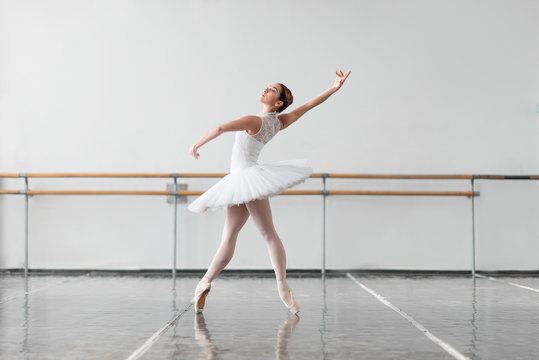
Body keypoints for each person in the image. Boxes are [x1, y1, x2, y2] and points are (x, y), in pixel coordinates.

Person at [188, 70, 351, 314]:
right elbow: (308, 105)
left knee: (242, 236)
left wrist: (197, 144)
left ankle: (207, 282)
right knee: (258, 234)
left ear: (278, 103)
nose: (266, 89)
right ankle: (274, 287)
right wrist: (334, 88)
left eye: (272, 90)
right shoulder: (279, 122)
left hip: (243, 178)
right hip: (243, 180)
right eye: (268, 87)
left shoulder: (255, 121)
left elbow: (221, 128)